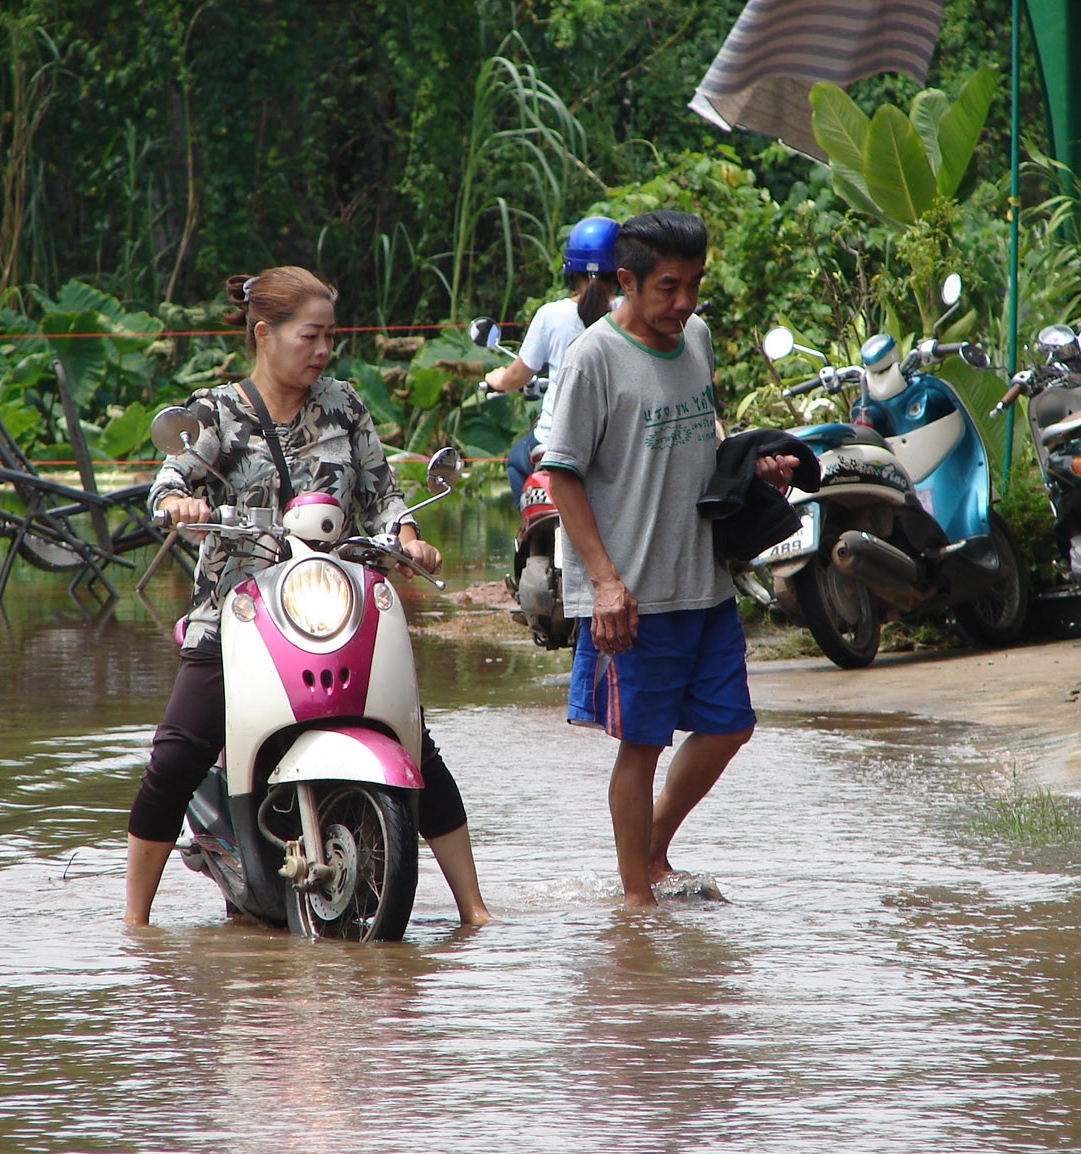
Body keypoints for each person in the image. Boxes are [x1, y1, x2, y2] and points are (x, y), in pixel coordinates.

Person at [124, 265, 492, 928]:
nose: (322, 350)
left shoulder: (343, 404)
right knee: (177, 752)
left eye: (330, 338)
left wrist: (408, 536)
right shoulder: (217, 411)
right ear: (264, 333)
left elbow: (382, 492)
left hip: (337, 596)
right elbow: (167, 481)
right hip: (237, 609)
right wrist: (178, 501)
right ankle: (136, 923)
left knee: (415, 742)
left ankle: (474, 908)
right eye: (310, 336)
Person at [539, 211, 800, 908]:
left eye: (693, 286)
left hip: (703, 578)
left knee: (729, 724)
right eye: (667, 287)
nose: (683, 303)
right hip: (633, 593)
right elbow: (559, 472)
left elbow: (702, 431)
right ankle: (635, 901)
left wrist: (750, 469)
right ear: (625, 281)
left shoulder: (697, 337)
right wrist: (603, 584)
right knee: (642, 746)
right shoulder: (593, 357)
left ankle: (652, 851)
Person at [485, 216, 620, 502]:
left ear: (570, 268)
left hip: (554, 440)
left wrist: (496, 379)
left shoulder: (551, 314)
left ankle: (525, 537)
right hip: (613, 441)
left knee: (517, 461)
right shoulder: (629, 313)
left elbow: (516, 376)